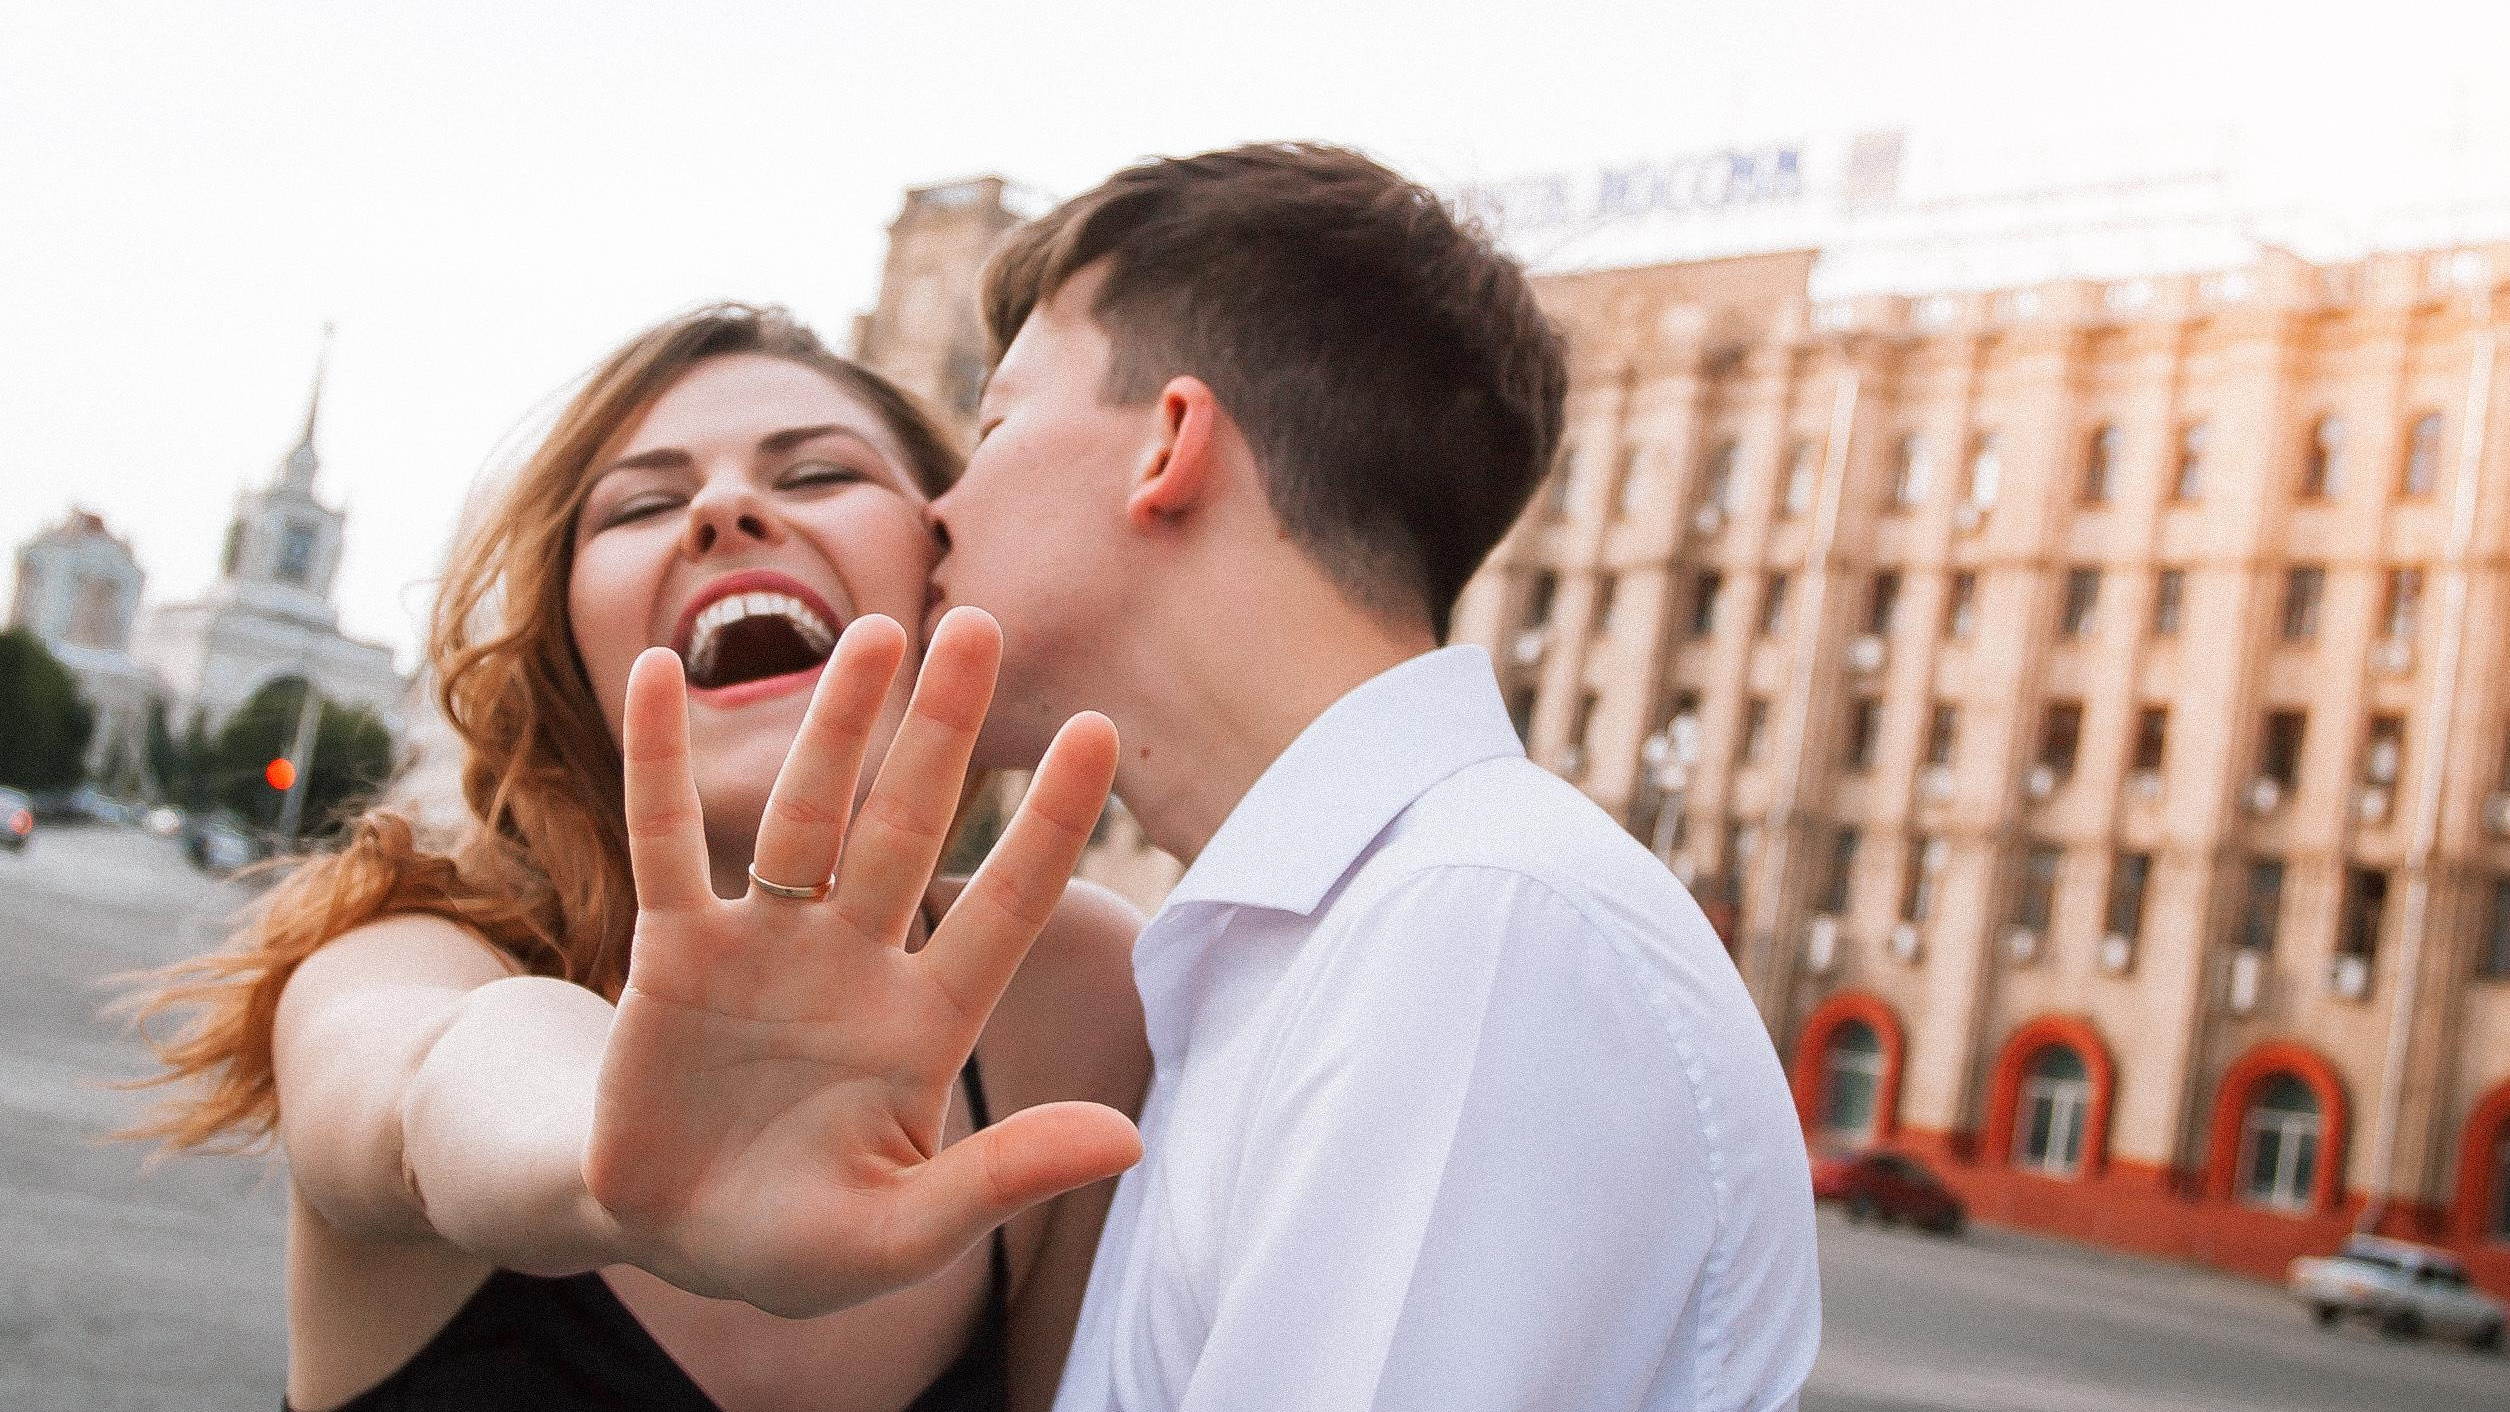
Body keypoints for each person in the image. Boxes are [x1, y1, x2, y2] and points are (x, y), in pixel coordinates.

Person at [924, 143, 1823, 1409]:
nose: (938, 510)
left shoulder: (1473, 921)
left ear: (1167, 443)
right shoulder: (1306, 938)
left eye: (993, 427)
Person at [128, 305, 1150, 1412]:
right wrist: (616, 1152)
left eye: (815, 472)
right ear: (569, 638)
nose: (723, 507)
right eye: (645, 502)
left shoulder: (1076, 987)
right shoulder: (401, 951)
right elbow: (434, 1078)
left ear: (943, 568)